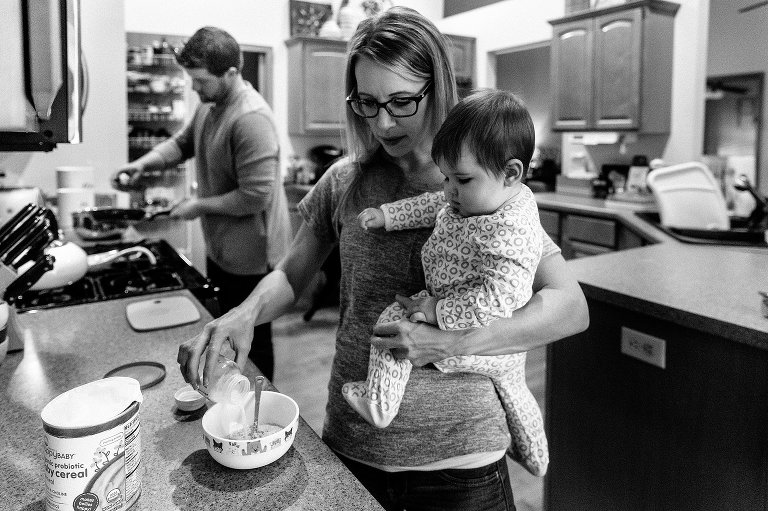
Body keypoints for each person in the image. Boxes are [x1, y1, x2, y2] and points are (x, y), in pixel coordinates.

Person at [178, 8, 588, 511]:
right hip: (355, 446)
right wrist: (244, 313)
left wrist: (452, 341)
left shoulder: (483, 186)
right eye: (368, 103)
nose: (383, 122)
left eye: (401, 101)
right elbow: (290, 275)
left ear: (436, 88)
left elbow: (570, 307)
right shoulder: (344, 182)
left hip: (463, 463)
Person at [343, 89, 548, 477]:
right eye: (446, 177)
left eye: (462, 179)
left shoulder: (512, 230)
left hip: (475, 330)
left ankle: (379, 401)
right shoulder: (478, 197)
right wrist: (388, 215)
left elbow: (498, 299)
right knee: (515, 391)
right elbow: (431, 204)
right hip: (491, 343)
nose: (450, 190)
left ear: (512, 173)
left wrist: (437, 310)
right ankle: (535, 456)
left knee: (393, 323)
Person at [114, 26, 291, 381]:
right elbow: (181, 144)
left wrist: (198, 206)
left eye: (200, 80)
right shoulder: (210, 106)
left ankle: (257, 404)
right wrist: (142, 164)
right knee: (224, 329)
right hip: (223, 246)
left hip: (252, 256)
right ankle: (226, 392)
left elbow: (256, 196)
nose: (194, 87)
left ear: (231, 74)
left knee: (251, 342)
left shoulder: (251, 119)